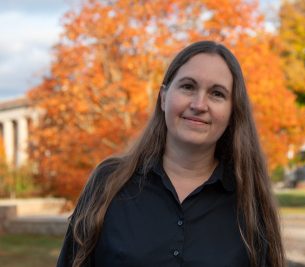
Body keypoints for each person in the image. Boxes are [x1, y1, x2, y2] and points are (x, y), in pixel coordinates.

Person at [57, 40, 285, 267]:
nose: (199, 104)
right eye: (188, 86)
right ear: (163, 97)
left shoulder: (249, 200)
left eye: (217, 93)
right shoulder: (109, 183)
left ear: (232, 111)